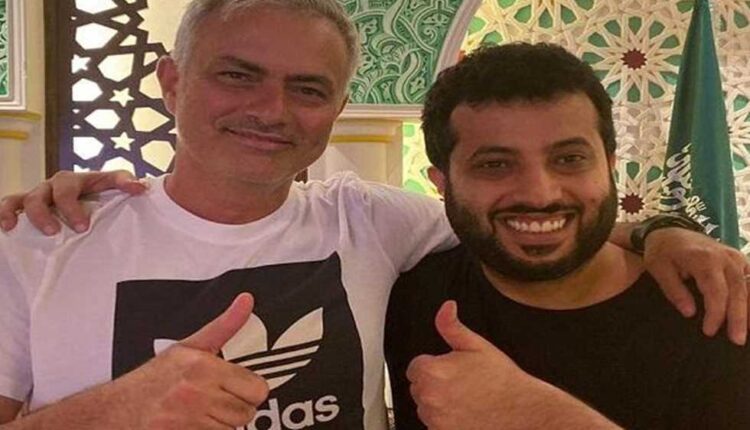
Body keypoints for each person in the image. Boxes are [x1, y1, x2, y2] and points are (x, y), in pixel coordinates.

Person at [0, 1, 746, 429]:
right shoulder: (38, 242)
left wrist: (667, 233)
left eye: (308, 88)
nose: (272, 110)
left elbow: (528, 220)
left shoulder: (372, 221)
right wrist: (111, 412)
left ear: (337, 107)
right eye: (237, 75)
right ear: (171, 81)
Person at [385, 42, 750, 430]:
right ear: (441, 183)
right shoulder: (408, 294)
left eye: (569, 159)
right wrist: (654, 231)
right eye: (495, 165)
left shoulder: (721, 306)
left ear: (609, 164)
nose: (539, 195)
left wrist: (537, 415)